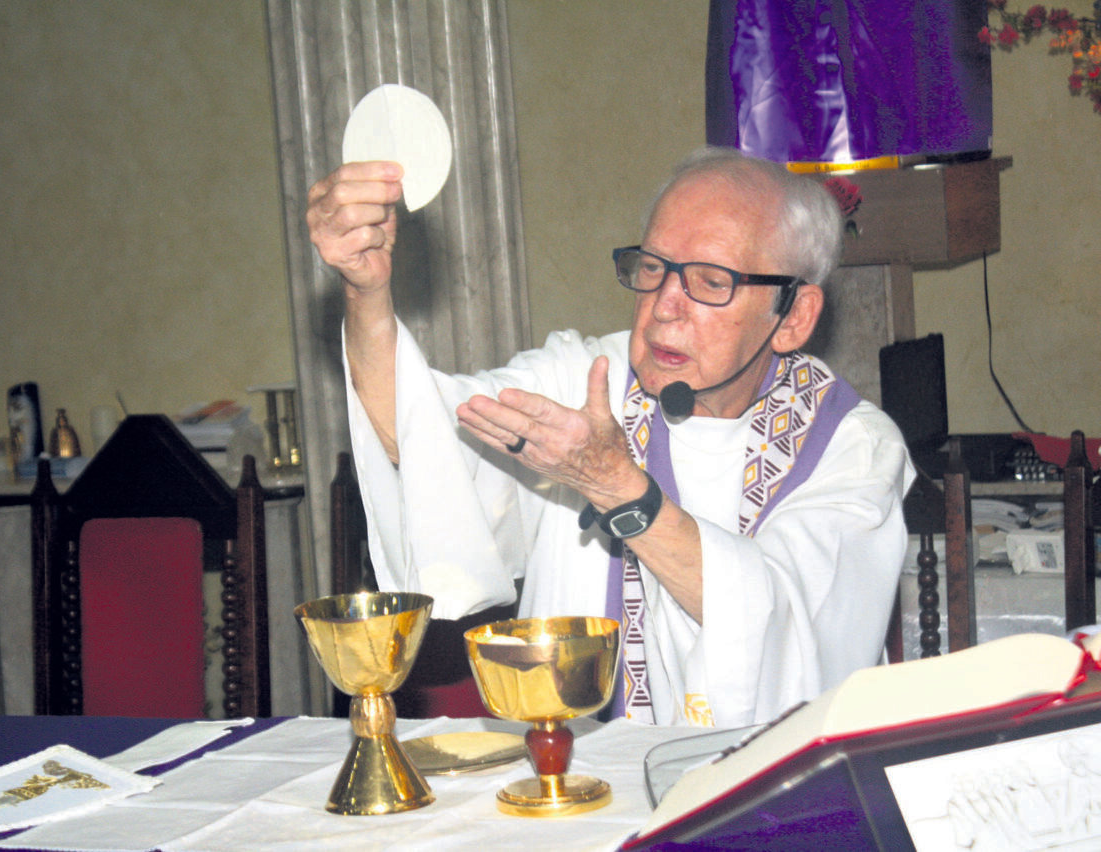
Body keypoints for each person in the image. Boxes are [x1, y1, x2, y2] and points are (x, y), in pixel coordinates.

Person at [306, 146, 913, 727]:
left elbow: (796, 635)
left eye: (709, 280)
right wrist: (366, 292)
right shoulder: (590, 382)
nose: (664, 307)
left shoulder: (850, 447)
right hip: (574, 778)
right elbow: (420, 431)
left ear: (795, 316)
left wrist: (622, 491)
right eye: (653, 269)